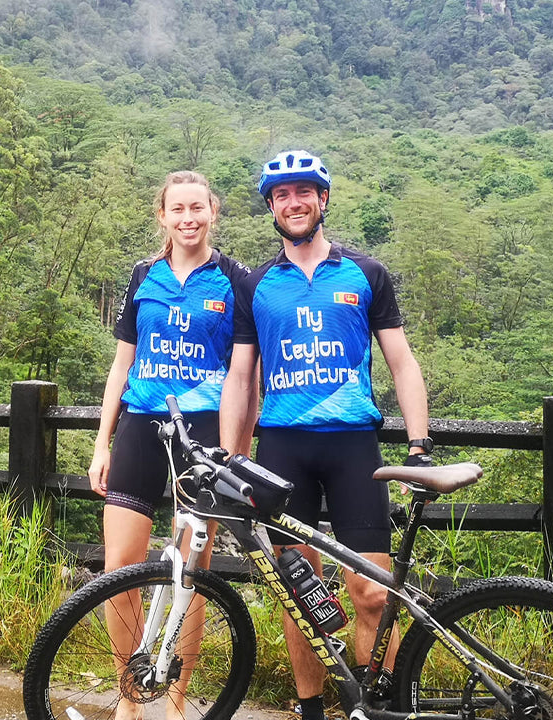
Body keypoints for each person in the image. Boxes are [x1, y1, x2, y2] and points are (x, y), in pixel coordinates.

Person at [219, 151, 432, 720]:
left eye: (304, 192)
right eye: (283, 195)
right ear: (270, 206)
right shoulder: (257, 285)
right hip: (283, 447)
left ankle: (378, 706)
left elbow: (403, 364)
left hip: (352, 447)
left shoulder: (366, 273)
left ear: (323, 199)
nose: (295, 203)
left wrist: (418, 443)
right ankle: (310, 707)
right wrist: (228, 458)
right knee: (299, 594)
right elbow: (240, 377)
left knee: (373, 593)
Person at [88, 170, 254, 720]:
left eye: (197, 208)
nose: (188, 218)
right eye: (177, 209)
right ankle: (129, 695)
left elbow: (243, 376)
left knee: (191, 574)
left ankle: (177, 701)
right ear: (162, 215)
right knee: (119, 568)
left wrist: (234, 450)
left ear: (214, 213)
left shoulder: (235, 279)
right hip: (141, 424)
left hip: (202, 434)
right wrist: (101, 443)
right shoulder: (143, 275)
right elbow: (121, 365)